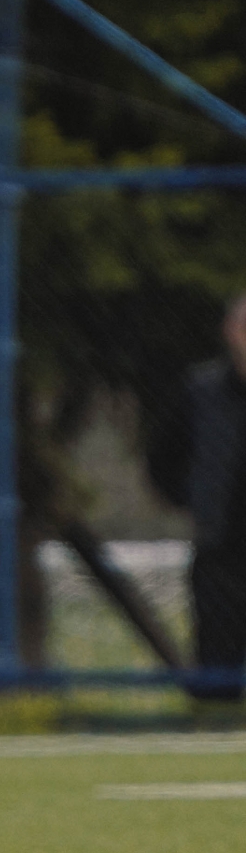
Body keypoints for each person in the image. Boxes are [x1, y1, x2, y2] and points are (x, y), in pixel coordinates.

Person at [148, 294, 246, 701]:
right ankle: (216, 715)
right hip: (220, 547)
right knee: (217, 651)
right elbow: (163, 458)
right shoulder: (202, 391)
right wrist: (194, 500)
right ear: (230, 332)